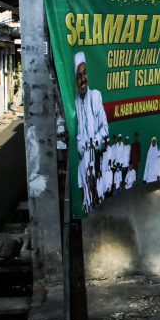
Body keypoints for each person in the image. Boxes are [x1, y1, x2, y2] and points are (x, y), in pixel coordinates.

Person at [74, 52, 108, 213]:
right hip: (83, 160)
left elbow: (105, 128)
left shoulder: (96, 96)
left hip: (96, 155)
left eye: (84, 73)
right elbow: (77, 135)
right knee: (86, 198)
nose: (83, 78)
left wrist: (94, 142)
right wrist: (82, 146)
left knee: (98, 194)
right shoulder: (73, 103)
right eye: (79, 75)